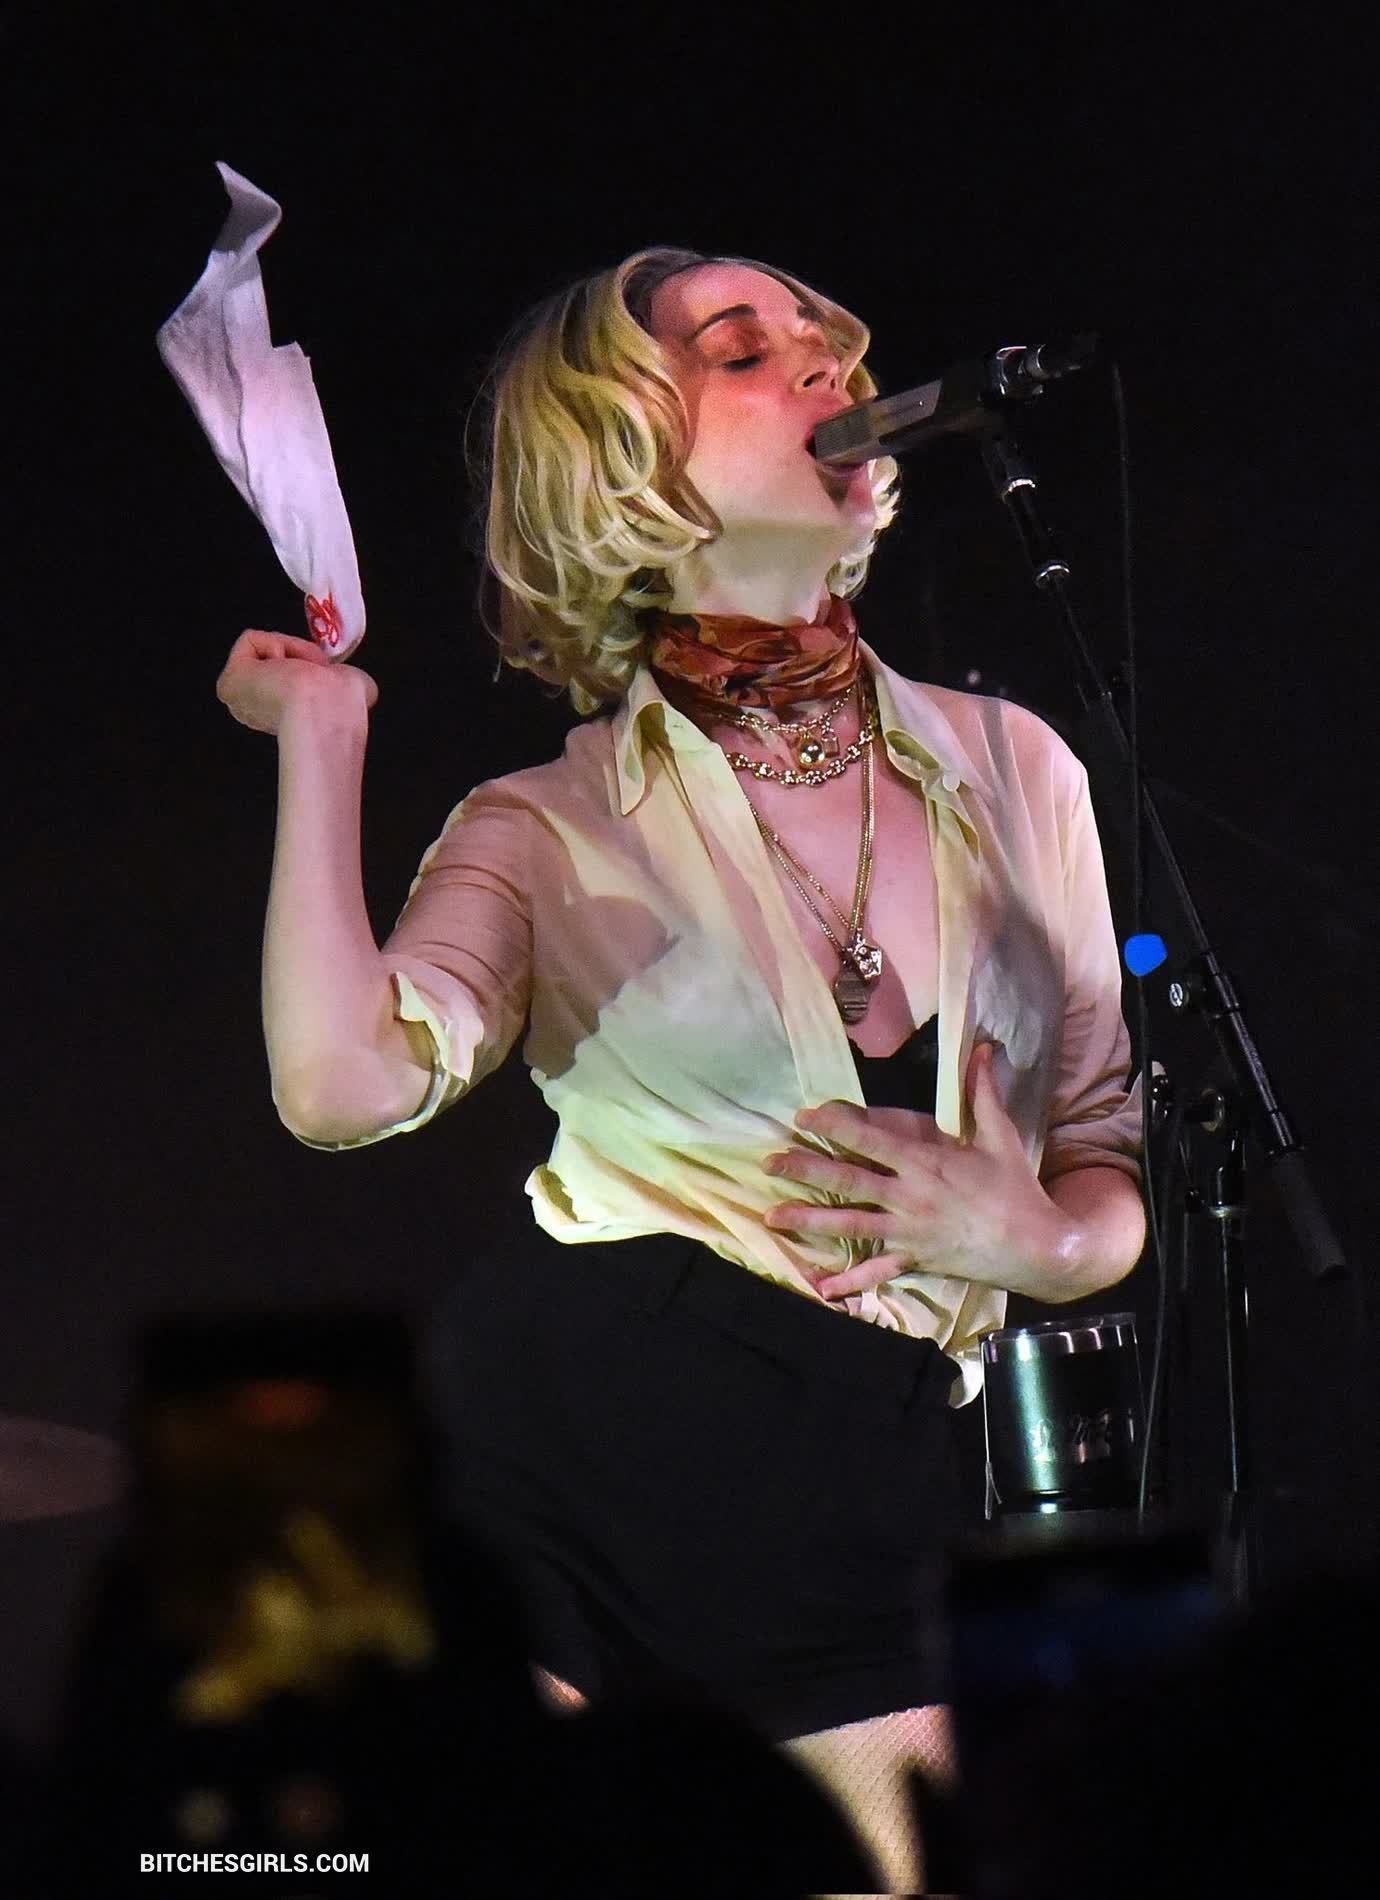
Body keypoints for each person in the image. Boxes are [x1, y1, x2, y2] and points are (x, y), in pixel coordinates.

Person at [215, 246, 1148, 1891]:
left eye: (823, 337)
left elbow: (1103, 1139)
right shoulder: (547, 819)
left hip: (864, 1466)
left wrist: (1043, 1243)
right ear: (621, 461)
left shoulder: (1021, 769)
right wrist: (324, 746)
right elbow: (342, 1086)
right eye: (741, 349)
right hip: (560, 1451)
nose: (822, 363)